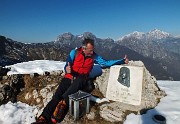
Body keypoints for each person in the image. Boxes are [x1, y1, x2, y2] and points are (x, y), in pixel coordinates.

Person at [32, 38, 129, 124]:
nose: (92, 52)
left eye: (93, 50)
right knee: (56, 96)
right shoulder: (74, 53)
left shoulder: (94, 56)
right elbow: (67, 64)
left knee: (81, 79)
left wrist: (121, 61)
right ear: (83, 48)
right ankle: (43, 118)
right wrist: (67, 69)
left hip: (81, 80)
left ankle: (63, 103)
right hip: (69, 77)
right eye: (90, 50)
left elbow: (106, 63)